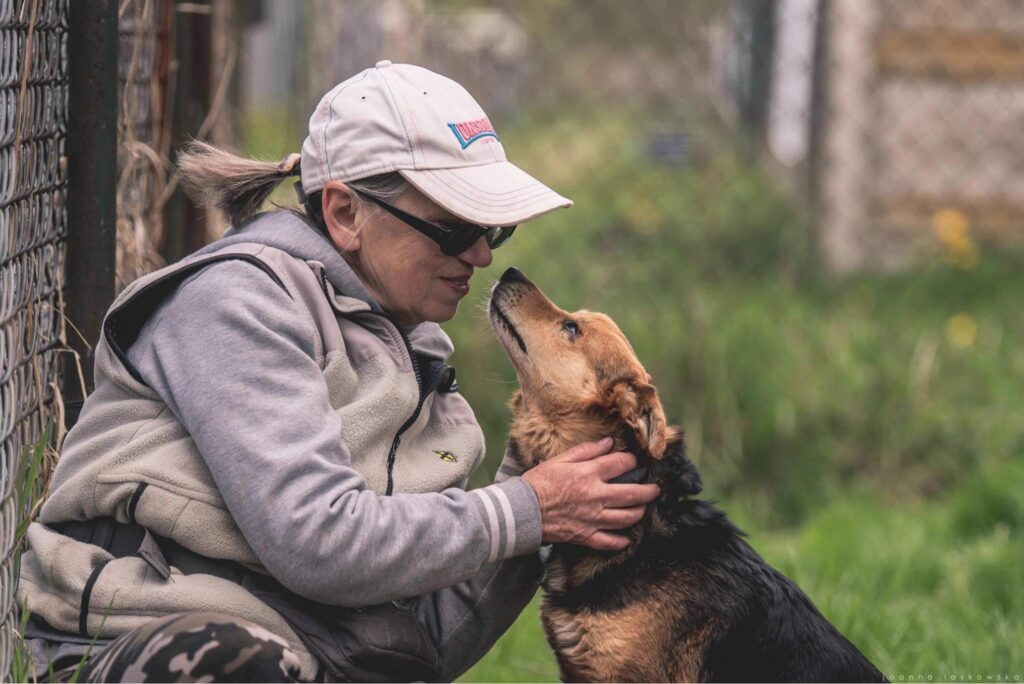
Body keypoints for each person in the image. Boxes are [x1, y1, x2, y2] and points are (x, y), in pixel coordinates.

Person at [18, 62, 660, 682]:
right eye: (455, 225)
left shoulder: (421, 365)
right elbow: (316, 539)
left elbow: (421, 649)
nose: (481, 253)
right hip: (149, 645)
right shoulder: (239, 306)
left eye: (495, 226)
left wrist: (544, 487)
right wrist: (527, 510)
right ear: (346, 213)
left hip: (306, 658)